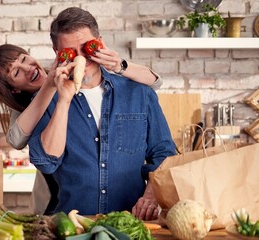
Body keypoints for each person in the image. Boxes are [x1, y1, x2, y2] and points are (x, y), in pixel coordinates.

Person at [26, 7, 176, 220]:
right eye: (70, 52)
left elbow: (164, 152)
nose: (81, 58)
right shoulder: (47, 100)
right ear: (57, 52)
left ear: (100, 42)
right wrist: (64, 101)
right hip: (73, 226)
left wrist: (151, 194)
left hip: (131, 222)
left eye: (87, 48)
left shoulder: (139, 93)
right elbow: (45, 162)